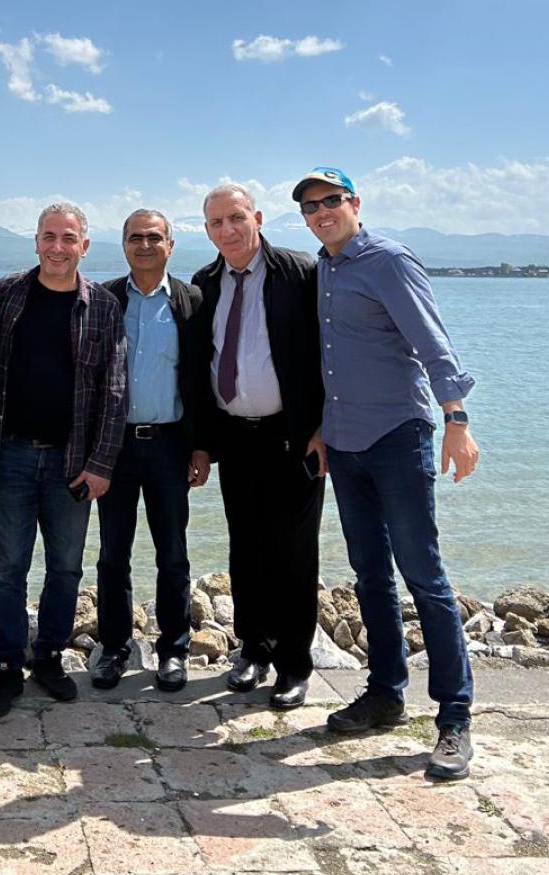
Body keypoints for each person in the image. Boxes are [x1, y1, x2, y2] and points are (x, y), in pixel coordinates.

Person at [292, 166, 481, 780]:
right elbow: (334, 359)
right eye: (310, 206)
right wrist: (322, 426)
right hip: (344, 445)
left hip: (398, 439)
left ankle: (454, 718)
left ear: (354, 203)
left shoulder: (389, 261)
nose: (321, 212)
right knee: (370, 575)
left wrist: (457, 418)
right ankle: (385, 694)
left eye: (331, 201)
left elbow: (432, 343)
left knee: (425, 577)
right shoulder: (324, 268)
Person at [0, 202, 127, 718]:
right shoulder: (9, 292)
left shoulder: (104, 306)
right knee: (7, 567)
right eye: (49, 236)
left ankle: (48, 657)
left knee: (65, 567)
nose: (58, 247)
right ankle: (6, 665)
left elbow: (114, 390)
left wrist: (102, 463)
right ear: (36, 240)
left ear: (84, 246)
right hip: (13, 454)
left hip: (72, 461)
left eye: (69, 238)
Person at [188, 183, 325, 710]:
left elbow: (327, 356)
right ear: (206, 231)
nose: (228, 230)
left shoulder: (300, 275)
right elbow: (201, 370)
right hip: (235, 436)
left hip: (292, 437)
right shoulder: (205, 284)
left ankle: (294, 663)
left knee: (294, 551)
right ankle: (252, 649)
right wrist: (201, 444)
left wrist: (323, 427)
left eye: (236, 218)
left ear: (258, 218)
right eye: (217, 223)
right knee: (246, 547)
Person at [91, 209, 204, 692]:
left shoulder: (191, 301)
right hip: (115, 448)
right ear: (123, 243)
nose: (144, 245)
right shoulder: (103, 299)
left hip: (170, 446)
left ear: (170, 245)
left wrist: (202, 448)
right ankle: (114, 648)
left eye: (154, 237)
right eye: (135, 237)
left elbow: (201, 378)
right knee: (113, 554)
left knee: (173, 553)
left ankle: (173, 650)